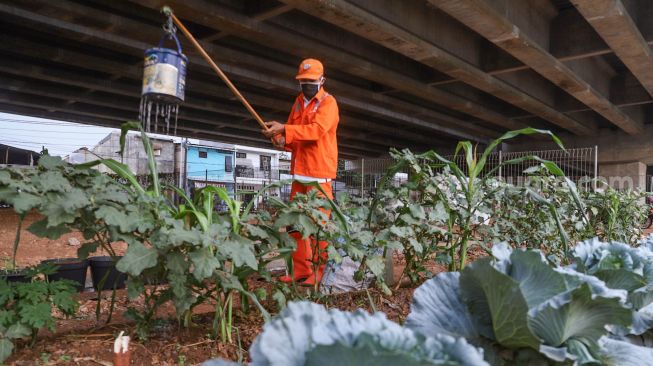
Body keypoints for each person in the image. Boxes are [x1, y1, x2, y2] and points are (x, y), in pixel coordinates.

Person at [262, 58, 339, 286]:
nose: (306, 84)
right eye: (303, 81)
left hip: (319, 176)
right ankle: (300, 270)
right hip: (299, 175)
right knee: (295, 225)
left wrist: (285, 129)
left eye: (311, 81)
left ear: (321, 80)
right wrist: (280, 140)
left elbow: (315, 131)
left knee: (318, 227)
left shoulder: (328, 103)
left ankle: (320, 272)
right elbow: (295, 138)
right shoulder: (298, 103)